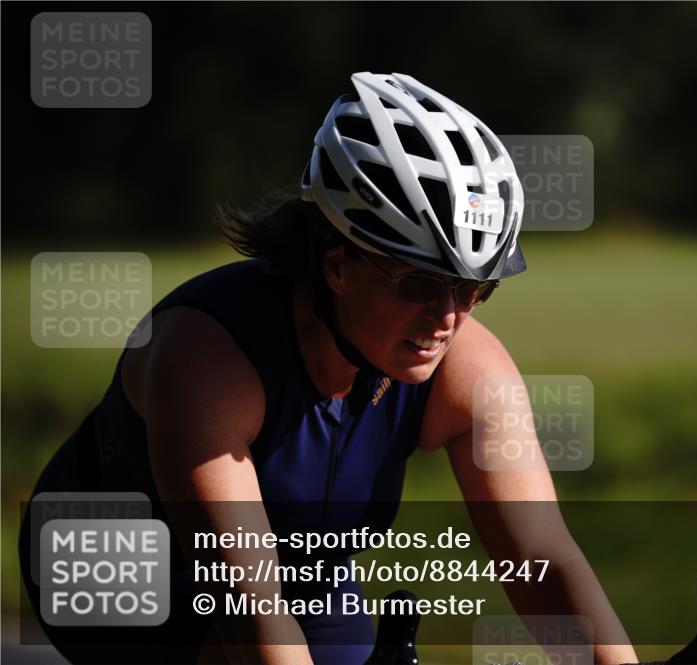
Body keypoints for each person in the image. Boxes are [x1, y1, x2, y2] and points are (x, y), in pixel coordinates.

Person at [19, 72, 638, 665]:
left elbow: (540, 557)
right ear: (337, 266)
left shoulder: (466, 364)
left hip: (303, 569)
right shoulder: (208, 358)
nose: (447, 317)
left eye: (472, 288)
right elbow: (246, 600)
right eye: (420, 282)